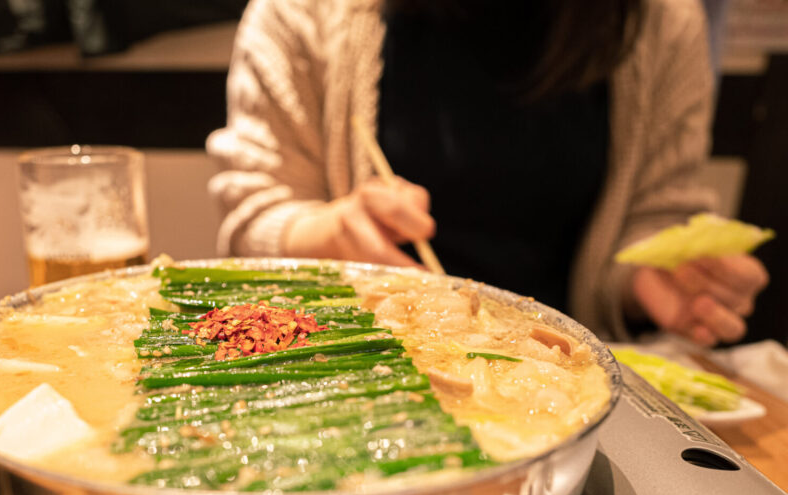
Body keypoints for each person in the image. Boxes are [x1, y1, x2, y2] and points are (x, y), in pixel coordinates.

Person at [206, 0, 768, 345]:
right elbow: (254, 217)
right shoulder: (303, 12)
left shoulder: (661, 21)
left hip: (561, 367)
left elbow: (652, 213)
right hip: (367, 369)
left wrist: (651, 277)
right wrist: (330, 232)